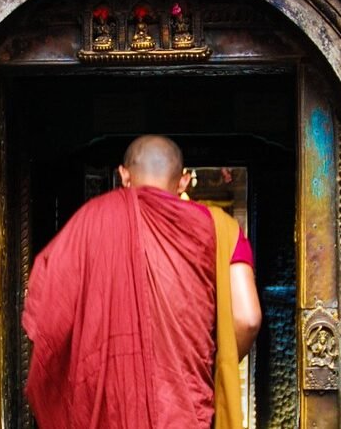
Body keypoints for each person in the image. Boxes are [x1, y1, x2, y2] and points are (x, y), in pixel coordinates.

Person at [23, 134, 262, 429]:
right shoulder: (221, 229)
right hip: (184, 407)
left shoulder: (90, 220)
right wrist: (214, 362)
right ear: (184, 181)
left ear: (123, 175)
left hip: (112, 409)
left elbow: (49, 310)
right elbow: (248, 318)